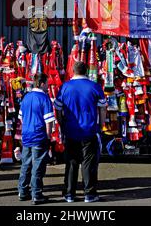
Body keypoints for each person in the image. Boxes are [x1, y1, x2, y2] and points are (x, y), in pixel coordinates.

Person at [54, 61, 106, 203]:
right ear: (86, 71)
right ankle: (89, 194)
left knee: (71, 162)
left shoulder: (65, 87)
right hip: (89, 130)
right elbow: (102, 107)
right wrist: (101, 124)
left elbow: (57, 107)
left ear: (73, 70)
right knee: (89, 162)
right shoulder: (95, 86)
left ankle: (69, 193)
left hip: (70, 130)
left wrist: (61, 122)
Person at [17, 73, 55, 205]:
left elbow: (21, 117)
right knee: (38, 165)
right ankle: (37, 194)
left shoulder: (26, 97)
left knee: (25, 164)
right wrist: (49, 136)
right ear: (43, 83)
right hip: (39, 135)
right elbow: (49, 121)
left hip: (26, 134)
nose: (48, 86)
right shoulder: (45, 99)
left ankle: (22, 191)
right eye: (47, 83)